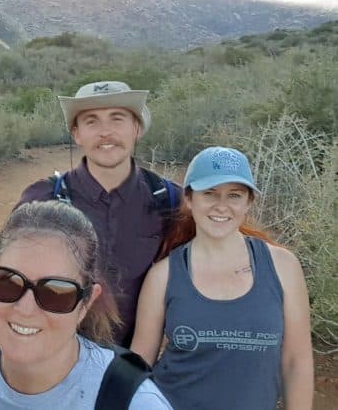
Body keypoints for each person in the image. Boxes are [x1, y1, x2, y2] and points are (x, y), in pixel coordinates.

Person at [0, 200, 172, 409]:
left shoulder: (134, 403)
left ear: (86, 302)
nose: (25, 308)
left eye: (56, 292)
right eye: (8, 282)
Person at [131, 146, 314, 410]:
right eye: (210, 193)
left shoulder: (283, 266)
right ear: (190, 199)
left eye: (234, 195)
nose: (221, 206)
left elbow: (297, 361)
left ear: (248, 202)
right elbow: (140, 366)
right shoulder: (164, 274)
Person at [16, 80, 181, 347]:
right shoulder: (43, 198)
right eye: (92, 121)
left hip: (136, 363)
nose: (106, 132)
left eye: (117, 119)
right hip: (56, 356)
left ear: (137, 128)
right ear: (76, 134)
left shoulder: (170, 200)